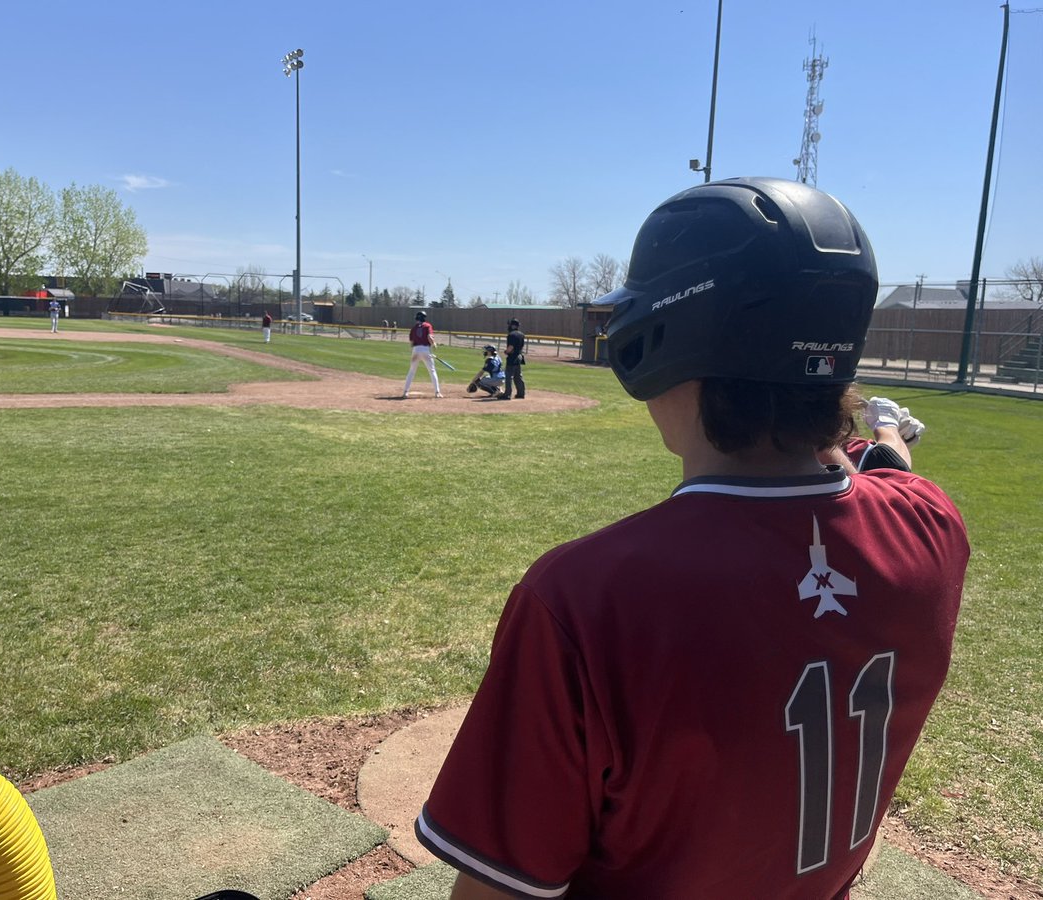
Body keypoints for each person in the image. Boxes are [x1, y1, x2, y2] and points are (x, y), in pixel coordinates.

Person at [415, 177, 970, 899]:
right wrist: (878, 429)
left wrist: (872, 433)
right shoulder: (933, 526)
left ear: (661, 343)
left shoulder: (586, 596)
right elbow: (889, 470)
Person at [402, 310, 442, 398]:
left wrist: (415, 350)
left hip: (416, 350)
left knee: (412, 371)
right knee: (432, 371)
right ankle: (437, 392)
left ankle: (405, 392)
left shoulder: (414, 328)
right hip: (426, 349)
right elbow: (429, 336)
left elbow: (411, 342)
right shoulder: (428, 325)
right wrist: (434, 344)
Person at [500, 318, 525, 399]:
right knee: (518, 376)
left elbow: (511, 347)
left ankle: (507, 394)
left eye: (510, 325)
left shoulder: (511, 335)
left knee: (509, 376)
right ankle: (521, 393)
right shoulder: (521, 334)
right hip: (519, 356)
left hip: (512, 357)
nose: (509, 326)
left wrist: (506, 351)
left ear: (513, 325)